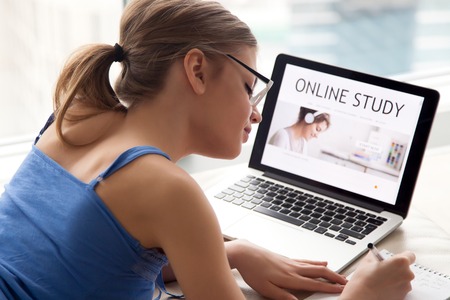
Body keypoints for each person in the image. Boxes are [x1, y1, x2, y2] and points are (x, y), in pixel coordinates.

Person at [0, 0, 416, 299]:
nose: (256, 115)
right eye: (248, 89)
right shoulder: (168, 189)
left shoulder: (73, 118)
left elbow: (87, 255)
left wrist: (229, 252)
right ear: (196, 71)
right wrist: (363, 295)